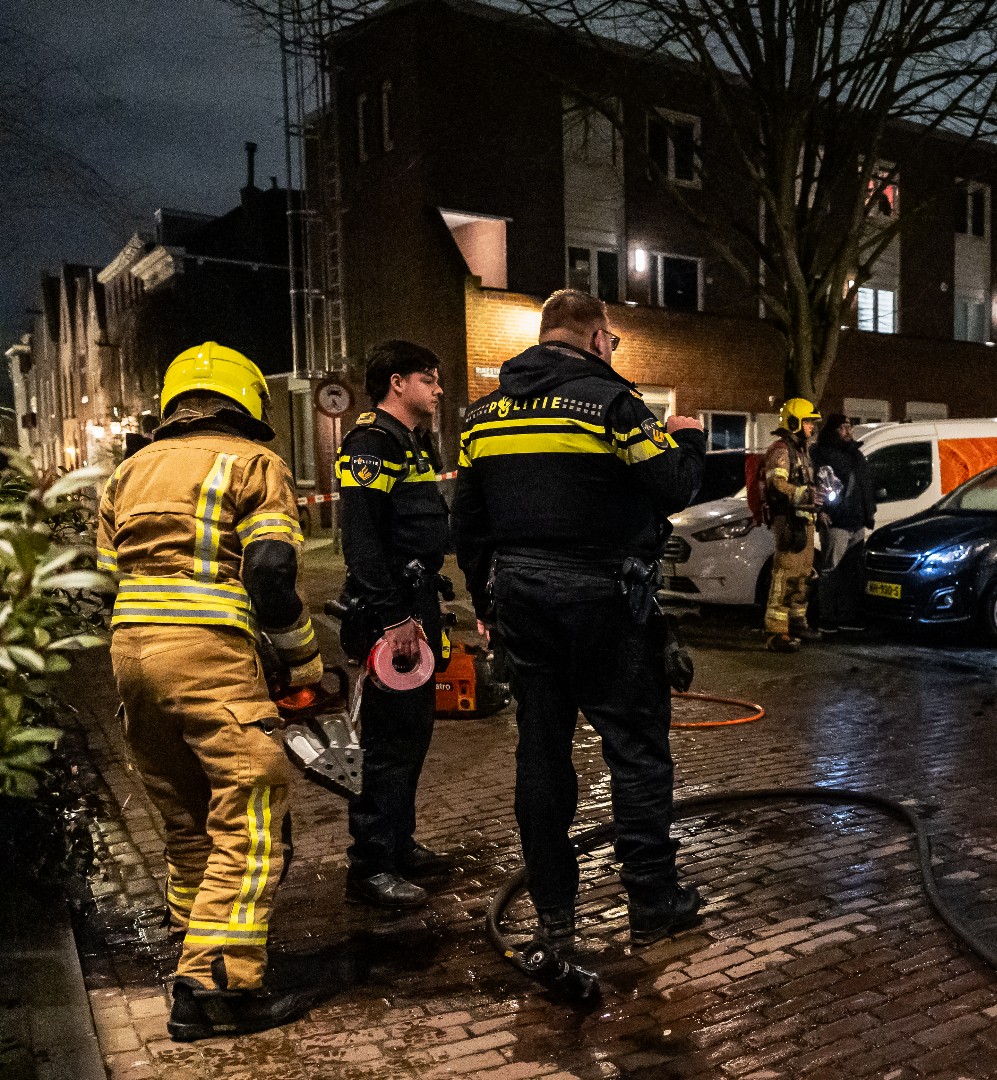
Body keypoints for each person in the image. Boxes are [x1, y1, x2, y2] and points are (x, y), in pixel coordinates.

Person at [453, 290, 707, 953]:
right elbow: (673, 488)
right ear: (597, 339)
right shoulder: (614, 406)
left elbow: (468, 526)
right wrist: (689, 439)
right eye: (612, 343)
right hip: (605, 604)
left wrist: (488, 609)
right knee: (636, 749)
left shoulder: (481, 418)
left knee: (540, 754)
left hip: (523, 602)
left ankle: (554, 918)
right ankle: (654, 901)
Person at [97, 342, 322, 1041]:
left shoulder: (126, 473)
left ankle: (192, 961)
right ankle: (219, 988)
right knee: (251, 814)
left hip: (132, 659)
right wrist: (303, 662)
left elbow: (106, 581)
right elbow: (273, 573)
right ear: (247, 400)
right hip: (211, 658)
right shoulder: (255, 463)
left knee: (187, 820)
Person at [334, 340, 453, 908]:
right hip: (391, 615)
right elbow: (360, 543)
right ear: (398, 383)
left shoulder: (410, 445)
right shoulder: (370, 444)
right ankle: (371, 866)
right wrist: (395, 617)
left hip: (414, 606)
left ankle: (399, 845)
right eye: (429, 379)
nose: (437, 389)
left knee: (412, 736)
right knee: (385, 744)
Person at [760, 398, 822, 651]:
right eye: (808, 421)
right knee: (785, 576)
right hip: (789, 521)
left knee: (802, 575)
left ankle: (797, 623)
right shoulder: (782, 450)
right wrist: (804, 495)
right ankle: (776, 634)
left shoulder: (800, 450)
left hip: (804, 521)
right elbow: (777, 485)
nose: (811, 427)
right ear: (794, 422)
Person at [808, 413, 874, 631]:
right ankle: (827, 617)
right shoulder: (824, 454)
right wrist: (822, 512)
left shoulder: (854, 454)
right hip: (836, 521)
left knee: (851, 571)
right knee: (831, 570)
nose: (849, 431)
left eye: (850, 427)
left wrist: (867, 512)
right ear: (833, 430)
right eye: (844, 427)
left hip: (856, 521)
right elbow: (819, 485)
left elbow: (864, 485)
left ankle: (847, 616)